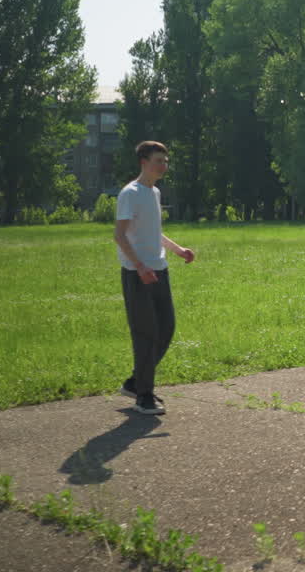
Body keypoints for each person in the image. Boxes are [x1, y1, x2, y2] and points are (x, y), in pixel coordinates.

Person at [113, 141, 195, 415]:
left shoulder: (154, 192)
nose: (164, 166)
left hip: (159, 270)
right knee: (146, 333)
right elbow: (119, 235)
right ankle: (143, 396)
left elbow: (153, 232)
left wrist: (178, 250)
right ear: (144, 162)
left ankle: (136, 382)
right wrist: (139, 267)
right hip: (138, 274)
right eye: (159, 160)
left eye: (165, 161)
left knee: (166, 328)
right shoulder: (130, 193)